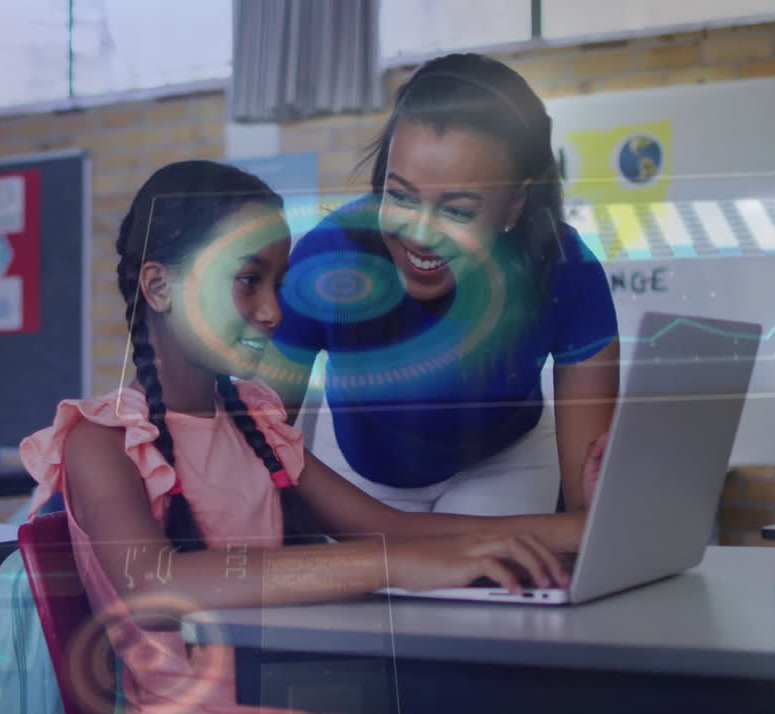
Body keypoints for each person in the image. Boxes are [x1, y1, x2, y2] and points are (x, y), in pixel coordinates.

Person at [19, 160, 588, 714]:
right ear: (160, 286)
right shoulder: (101, 438)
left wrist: (581, 530)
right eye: (248, 280)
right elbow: (154, 583)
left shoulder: (255, 420)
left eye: (278, 284)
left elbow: (390, 528)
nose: (272, 312)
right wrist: (394, 566)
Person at [264, 53, 619, 517]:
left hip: (504, 461)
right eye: (401, 197)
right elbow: (255, 437)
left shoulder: (563, 268)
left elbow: (586, 513)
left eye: (457, 210)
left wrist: (600, 518)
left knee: (495, 584)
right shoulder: (327, 261)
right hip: (365, 471)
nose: (420, 233)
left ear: (515, 205)